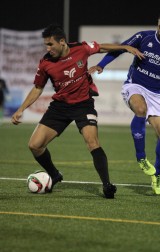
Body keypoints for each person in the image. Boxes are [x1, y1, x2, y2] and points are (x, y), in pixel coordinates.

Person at [11, 23, 141, 198]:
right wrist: (21, 109)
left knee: (92, 142)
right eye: (46, 45)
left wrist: (125, 47)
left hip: (83, 105)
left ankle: (107, 185)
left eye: (50, 44)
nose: (48, 48)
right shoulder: (45, 63)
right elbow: (37, 88)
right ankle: (55, 175)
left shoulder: (81, 48)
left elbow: (101, 47)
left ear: (62, 41)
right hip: (60, 107)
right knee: (34, 145)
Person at [89, 9, 160, 195]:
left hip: (157, 94)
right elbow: (119, 49)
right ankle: (141, 158)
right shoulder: (143, 37)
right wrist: (101, 65)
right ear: (157, 24)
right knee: (140, 108)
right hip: (134, 86)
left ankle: (157, 174)